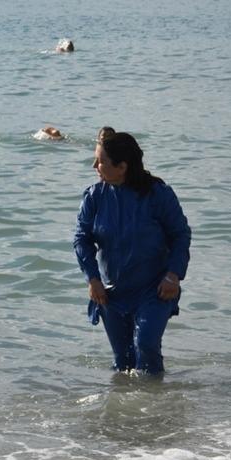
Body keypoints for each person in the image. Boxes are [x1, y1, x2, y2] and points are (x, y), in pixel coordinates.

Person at [73, 132, 191, 375]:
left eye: (100, 161)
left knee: (145, 346)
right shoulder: (95, 197)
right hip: (111, 294)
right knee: (123, 362)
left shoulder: (158, 194)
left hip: (154, 289)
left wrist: (173, 275)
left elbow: (180, 235)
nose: (94, 166)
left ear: (122, 166)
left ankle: (157, 405)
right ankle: (127, 410)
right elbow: (81, 239)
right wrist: (92, 279)